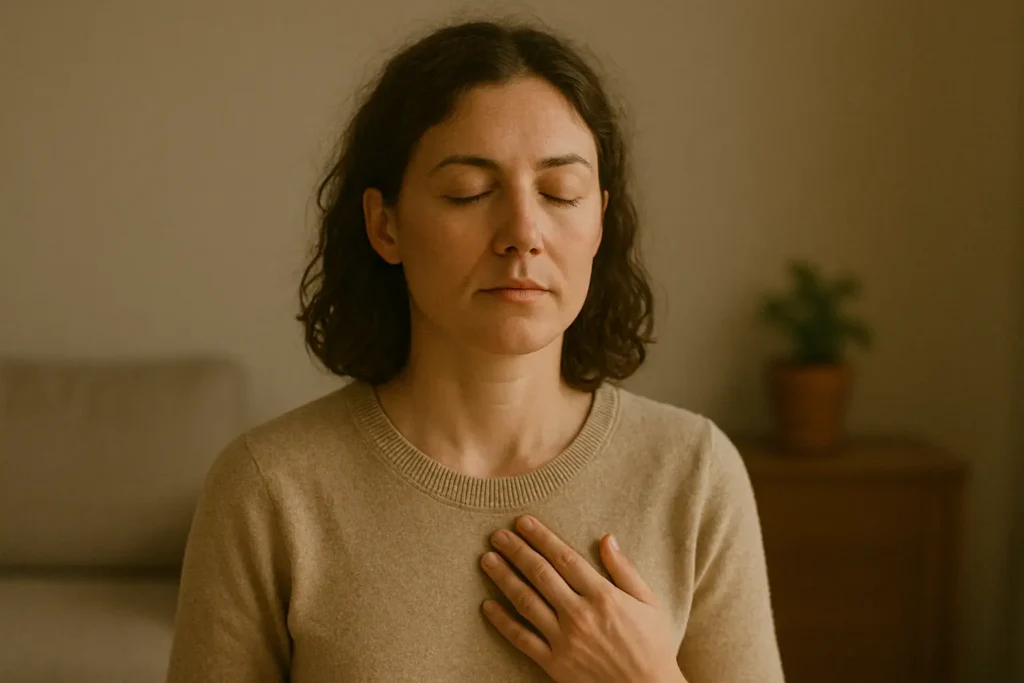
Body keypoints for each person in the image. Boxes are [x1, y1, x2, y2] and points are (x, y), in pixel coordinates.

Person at [165, 18, 785, 683]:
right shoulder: (268, 489)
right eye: (470, 192)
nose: (523, 232)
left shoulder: (695, 475)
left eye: (560, 194)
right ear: (386, 224)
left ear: (600, 218)